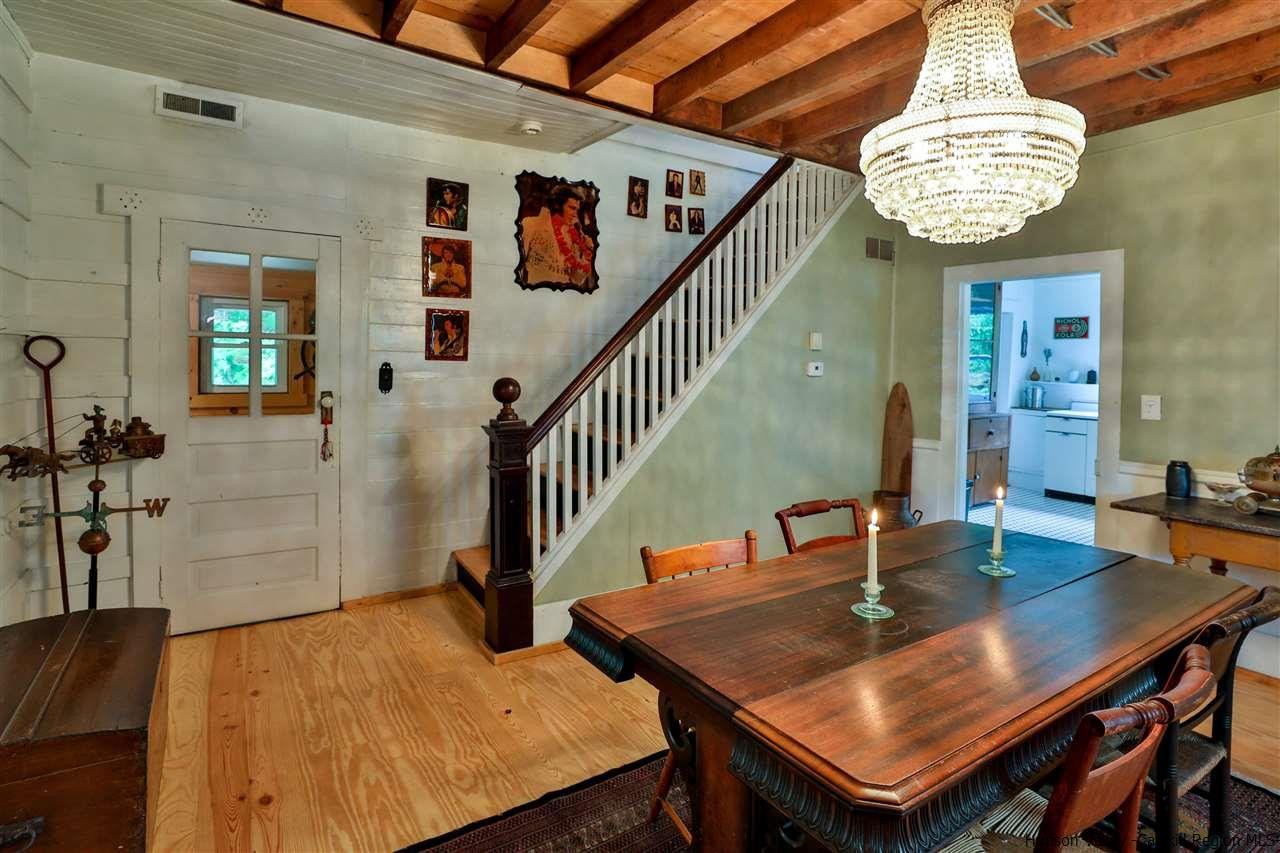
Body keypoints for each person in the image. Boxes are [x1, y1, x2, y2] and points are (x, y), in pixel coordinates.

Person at [519, 185, 595, 288]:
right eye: (572, 208)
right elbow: (518, 265)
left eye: (577, 210)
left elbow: (576, 279)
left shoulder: (573, 237)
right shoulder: (531, 225)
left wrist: (588, 254)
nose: (575, 214)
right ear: (557, 206)